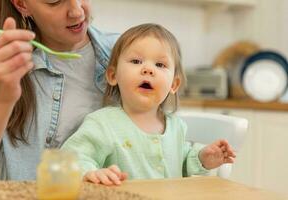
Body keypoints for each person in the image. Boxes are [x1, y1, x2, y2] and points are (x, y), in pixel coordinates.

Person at [62, 23, 236, 186]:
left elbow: (182, 162)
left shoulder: (176, 127)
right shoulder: (102, 124)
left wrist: (202, 158)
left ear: (174, 85)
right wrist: (91, 173)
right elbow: (72, 158)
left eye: (160, 64)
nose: (148, 69)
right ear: (113, 76)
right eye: (136, 61)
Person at [0, 0, 119, 180]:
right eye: (54, 1)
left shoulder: (134, 55)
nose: (77, 11)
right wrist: (0, 100)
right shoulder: (1, 72)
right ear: (21, 4)